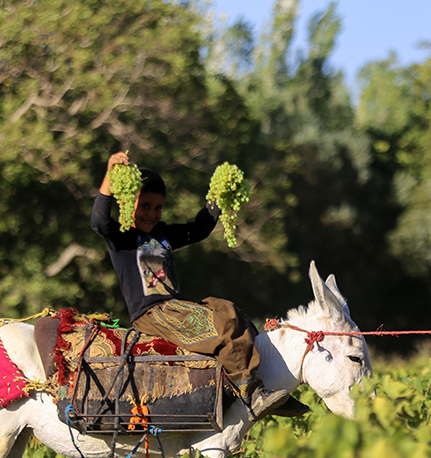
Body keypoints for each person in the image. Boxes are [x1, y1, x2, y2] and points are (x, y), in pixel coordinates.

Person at [92, 151, 303, 420]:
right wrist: (111, 175)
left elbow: (199, 229)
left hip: (174, 309)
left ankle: (264, 388)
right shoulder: (122, 237)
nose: (152, 214)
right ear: (125, 202)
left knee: (232, 314)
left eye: (158, 208)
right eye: (145, 206)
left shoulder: (163, 235)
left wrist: (217, 195)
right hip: (152, 315)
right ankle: (250, 394)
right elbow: (98, 220)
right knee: (221, 327)